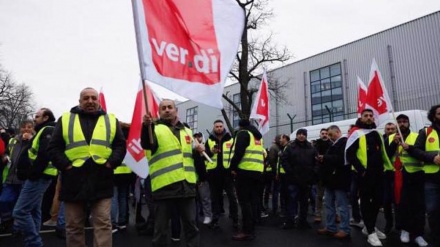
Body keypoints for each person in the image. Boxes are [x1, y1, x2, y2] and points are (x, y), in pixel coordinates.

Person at [47, 87, 126, 247]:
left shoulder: (111, 119)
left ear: (98, 100)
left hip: (102, 178)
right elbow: (54, 147)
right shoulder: (66, 119)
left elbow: (120, 145)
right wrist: (66, 165)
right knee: (74, 226)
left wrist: (111, 162)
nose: (90, 101)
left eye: (93, 98)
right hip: (73, 179)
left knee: (103, 224)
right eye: (86, 98)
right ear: (80, 101)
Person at [140, 99, 204, 247]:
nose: (167, 110)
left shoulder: (187, 131)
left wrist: (197, 151)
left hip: (186, 186)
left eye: (170, 107)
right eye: (163, 108)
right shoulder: (153, 128)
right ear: (159, 112)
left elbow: (188, 157)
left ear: (176, 110)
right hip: (164, 187)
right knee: (161, 231)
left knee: (192, 227)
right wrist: (145, 126)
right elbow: (147, 144)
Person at [346, 109, 393, 246]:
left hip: (379, 173)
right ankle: (371, 232)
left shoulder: (376, 133)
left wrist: (386, 168)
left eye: (371, 116)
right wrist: (361, 170)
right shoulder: (356, 134)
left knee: (378, 201)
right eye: (365, 116)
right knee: (366, 202)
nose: (368, 118)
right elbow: (350, 154)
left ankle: (369, 226)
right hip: (364, 175)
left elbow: (383, 152)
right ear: (361, 118)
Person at [12, 108, 58, 247]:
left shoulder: (48, 130)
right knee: (34, 211)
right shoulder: (44, 130)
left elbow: (44, 155)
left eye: (37, 116)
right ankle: (34, 240)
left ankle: (34, 243)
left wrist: (32, 173)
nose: (34, 119)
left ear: (45, 118)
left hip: (38, 177)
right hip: (39, 176)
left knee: (20, 212)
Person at [386, 114, 427, 246]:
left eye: (404, 121)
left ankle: (419, 233)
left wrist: (408, 147)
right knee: (400, 204)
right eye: (399, 122)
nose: (402, 124)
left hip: (416, 175)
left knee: (418, 205)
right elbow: (386, 155)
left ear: (409, 123)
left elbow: (422, 154)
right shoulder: (391, 137)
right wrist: (394, 143)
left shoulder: (417, 136)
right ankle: (404, 229)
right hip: (398, 176)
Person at [407, 104, 440, 247]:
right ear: (434, 116)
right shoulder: (426, 132)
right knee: (432, 210)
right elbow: (416, 151)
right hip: (431, 179)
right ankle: (436, 237)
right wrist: (432, 157)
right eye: (439, 113)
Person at [229, 119, 264, 241]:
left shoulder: (243, 133)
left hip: (244, 171)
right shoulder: (258, 137)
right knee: (253, 201)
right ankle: (252, 227)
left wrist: (232, 167)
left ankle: (247, 230)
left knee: (244, 202)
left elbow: (239, 152)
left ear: (240, 126)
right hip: (257, 172)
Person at [316, 125, 350, 239]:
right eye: (328, 135)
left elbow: (341, 159)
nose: (329, 137)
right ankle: (330, 227)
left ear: (338, 132)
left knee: (341, 206)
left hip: (340, 179)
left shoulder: (344, 142)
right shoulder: (334, 144)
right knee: (329, 205)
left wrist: (325, 158)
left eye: (331, 134)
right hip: (331, 179)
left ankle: (345, 229)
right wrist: (323, 159)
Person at [204, 119, 239, 230]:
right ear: (214, 128)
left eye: (220, 126)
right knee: (215, 198)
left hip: (227, 173)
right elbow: (204, 155)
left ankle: (235, 219)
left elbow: (235, 155)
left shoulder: (231, 139)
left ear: (223, 127)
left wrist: (234, 169)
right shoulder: (209, 140)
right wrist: (211, 151)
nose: (219, 128)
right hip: (213, 173)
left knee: (232, 197)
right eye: (217, 126)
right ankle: (215, 219)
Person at [0, 120, 33, 233]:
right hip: (10, 177)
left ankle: (17, 227)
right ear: (20, 128)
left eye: (29, 127)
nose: (26, 129)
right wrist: (5, 157)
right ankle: (6, 220)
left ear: (32, 129)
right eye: (24, 127)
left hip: (24, 179)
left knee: (20, 205)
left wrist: (30, 142)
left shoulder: (34, 141)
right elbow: (6, 152)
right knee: (4, 200)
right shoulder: (13, 140)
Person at [281, 128, 317, 230]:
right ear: (296, 135)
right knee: (292, 201)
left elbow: (316, 162)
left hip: (306, 180)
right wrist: (290, 173)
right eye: (299, 134)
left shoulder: (311, 148)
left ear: (306, 135)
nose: (301, 136)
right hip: (293, 180)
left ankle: (303, 221)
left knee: (304, 202)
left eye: (303, 134)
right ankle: (290, 221)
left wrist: (313, 173)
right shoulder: (290, 147)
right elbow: (284, 160)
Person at [111, 122, 134, 233]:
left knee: (113, 198)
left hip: (115, 172)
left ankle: (113, 223)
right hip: (127, 173)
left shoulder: (114, 138)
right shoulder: (131, 140)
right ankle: (122, 223)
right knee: (123, 198)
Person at [193, 132, 212, 225]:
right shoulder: (192, 149)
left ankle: (208, 215)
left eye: (199, 136)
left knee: (205, 198)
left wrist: (202, 178)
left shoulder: (205, 147)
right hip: (193, 178)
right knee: (194, 200)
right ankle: (195, 217)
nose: (197, 138)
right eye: (195, 136)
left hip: (203, 177)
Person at [313, 128, 332, 223]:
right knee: (319, 195)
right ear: (320, 134)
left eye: (326, 133)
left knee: (332, 196)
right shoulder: (316, 145)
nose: (324, 135)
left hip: (330, 173)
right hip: (320, 174)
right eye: (323, 133)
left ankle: (335, 215)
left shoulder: (332, 144)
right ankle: (318, 214)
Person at [382, 122, 397, 234]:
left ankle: (400, 224)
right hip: (386, 175)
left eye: (392, 129)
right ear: (385, 130)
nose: (390, 131)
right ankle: (388, 223)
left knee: (398, 201)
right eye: (388, 129)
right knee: (387, 201)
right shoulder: (382, 141)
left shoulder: (401, 139)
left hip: (400, 174)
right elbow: (386, 155)